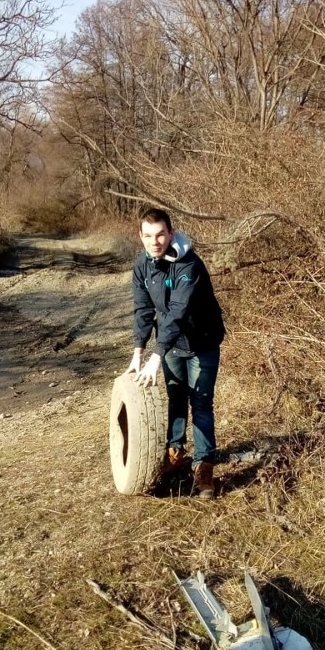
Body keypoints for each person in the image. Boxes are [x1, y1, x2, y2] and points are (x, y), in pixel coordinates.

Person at [127, 208, 225, 499]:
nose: (154, 241)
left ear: (170, 233)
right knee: (176, 399)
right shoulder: (142, 266)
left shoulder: (189, 264)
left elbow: (178, 312)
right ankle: (176, 453)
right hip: (170, 347)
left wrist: (156, 357)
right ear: (140, 236)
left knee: (202, 403)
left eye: (160, 234)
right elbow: (143, 310)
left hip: (202, 344)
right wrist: (138, 353)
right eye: (148, 235)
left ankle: (204, 468)